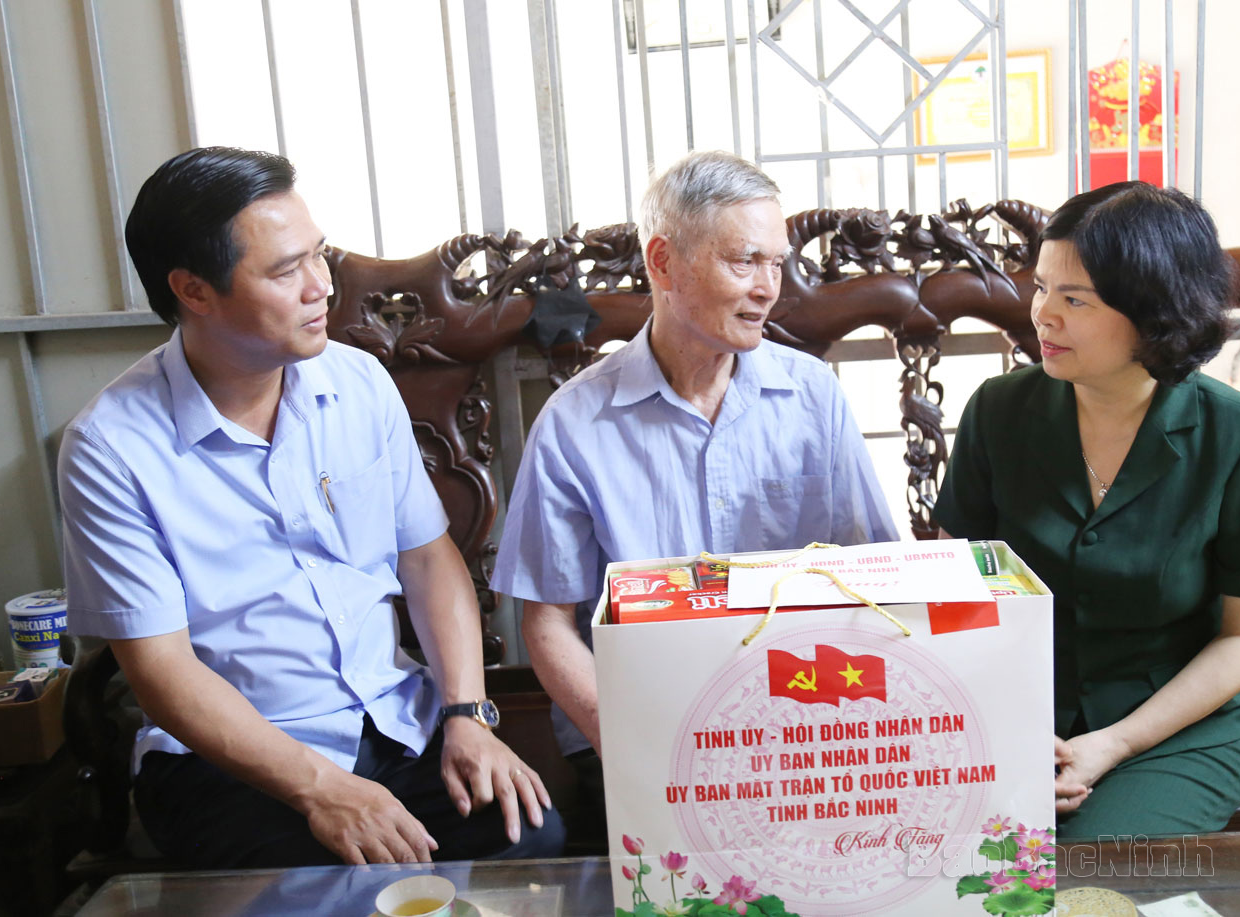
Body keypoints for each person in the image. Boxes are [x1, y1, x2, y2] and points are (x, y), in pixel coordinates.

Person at [57, 147, 564, 868]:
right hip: (231, 760)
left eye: (319, 256)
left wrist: (466, 714)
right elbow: (162, 672)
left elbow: (426, 557)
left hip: (392, 720)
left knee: (528, 834)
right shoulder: (111, 448)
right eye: (284, 269)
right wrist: (323, 788)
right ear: (193, 290)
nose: (321, 286)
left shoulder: (356, 382)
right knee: (330, 885)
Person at [490, 150, 898, 835]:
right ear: (664, 262)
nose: (770, 287)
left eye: (778, 261)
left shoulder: (810, 396)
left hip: (801, 724)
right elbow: (548, 623)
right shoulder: (575, 422)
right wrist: (633, 742)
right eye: (745, 261)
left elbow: (874, 577)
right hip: (640, 727)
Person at [935, 181, 1240, 838]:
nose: (1042, 314)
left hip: (1170, 729)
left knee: (1081, 877)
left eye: (1074, 299)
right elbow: (952, 588)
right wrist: (1003, 727)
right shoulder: (997, 411)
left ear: (1156, 312)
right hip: (1009, 715)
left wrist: (1115, 742)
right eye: (1041, 286)